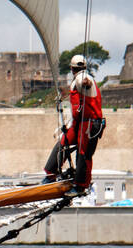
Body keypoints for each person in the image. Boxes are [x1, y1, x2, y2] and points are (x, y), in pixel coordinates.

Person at [43, 54, 106, 190]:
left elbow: (86, 82)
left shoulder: (84, 79)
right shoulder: (79, 79)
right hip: (79, 123)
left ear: (72, 69)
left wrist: (85, 84)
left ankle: (80, 184)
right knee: (63, 143)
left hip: (89, 124)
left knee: (84, 153)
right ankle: (51, 174)